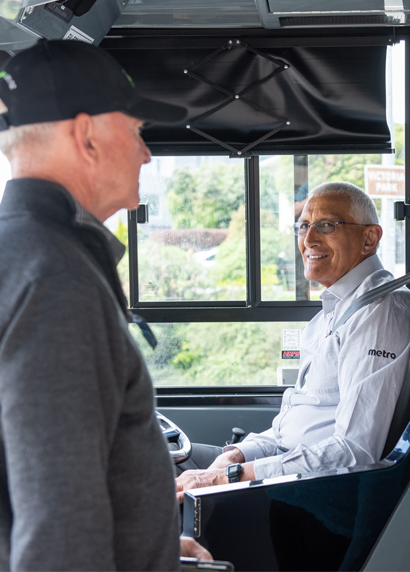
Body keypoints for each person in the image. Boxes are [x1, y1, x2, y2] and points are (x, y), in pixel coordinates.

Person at [0, 40, 211, 570]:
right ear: (86, 135)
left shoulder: (25, 251)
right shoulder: (55, 277)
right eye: (137, 131)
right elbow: (60, 525)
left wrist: (153, 550)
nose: (147, 153)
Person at [175, 181, 410, 498]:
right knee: (163, 460)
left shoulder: (378, 313)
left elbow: (354, 451)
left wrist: (232, 476)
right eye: (303, 226)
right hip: (287, 465)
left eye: (327, 225)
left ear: (369, 238)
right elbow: (292, 428)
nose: (309, 239)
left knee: (157, 466)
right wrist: (241, 453)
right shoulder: (331, 314)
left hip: (312, 491)